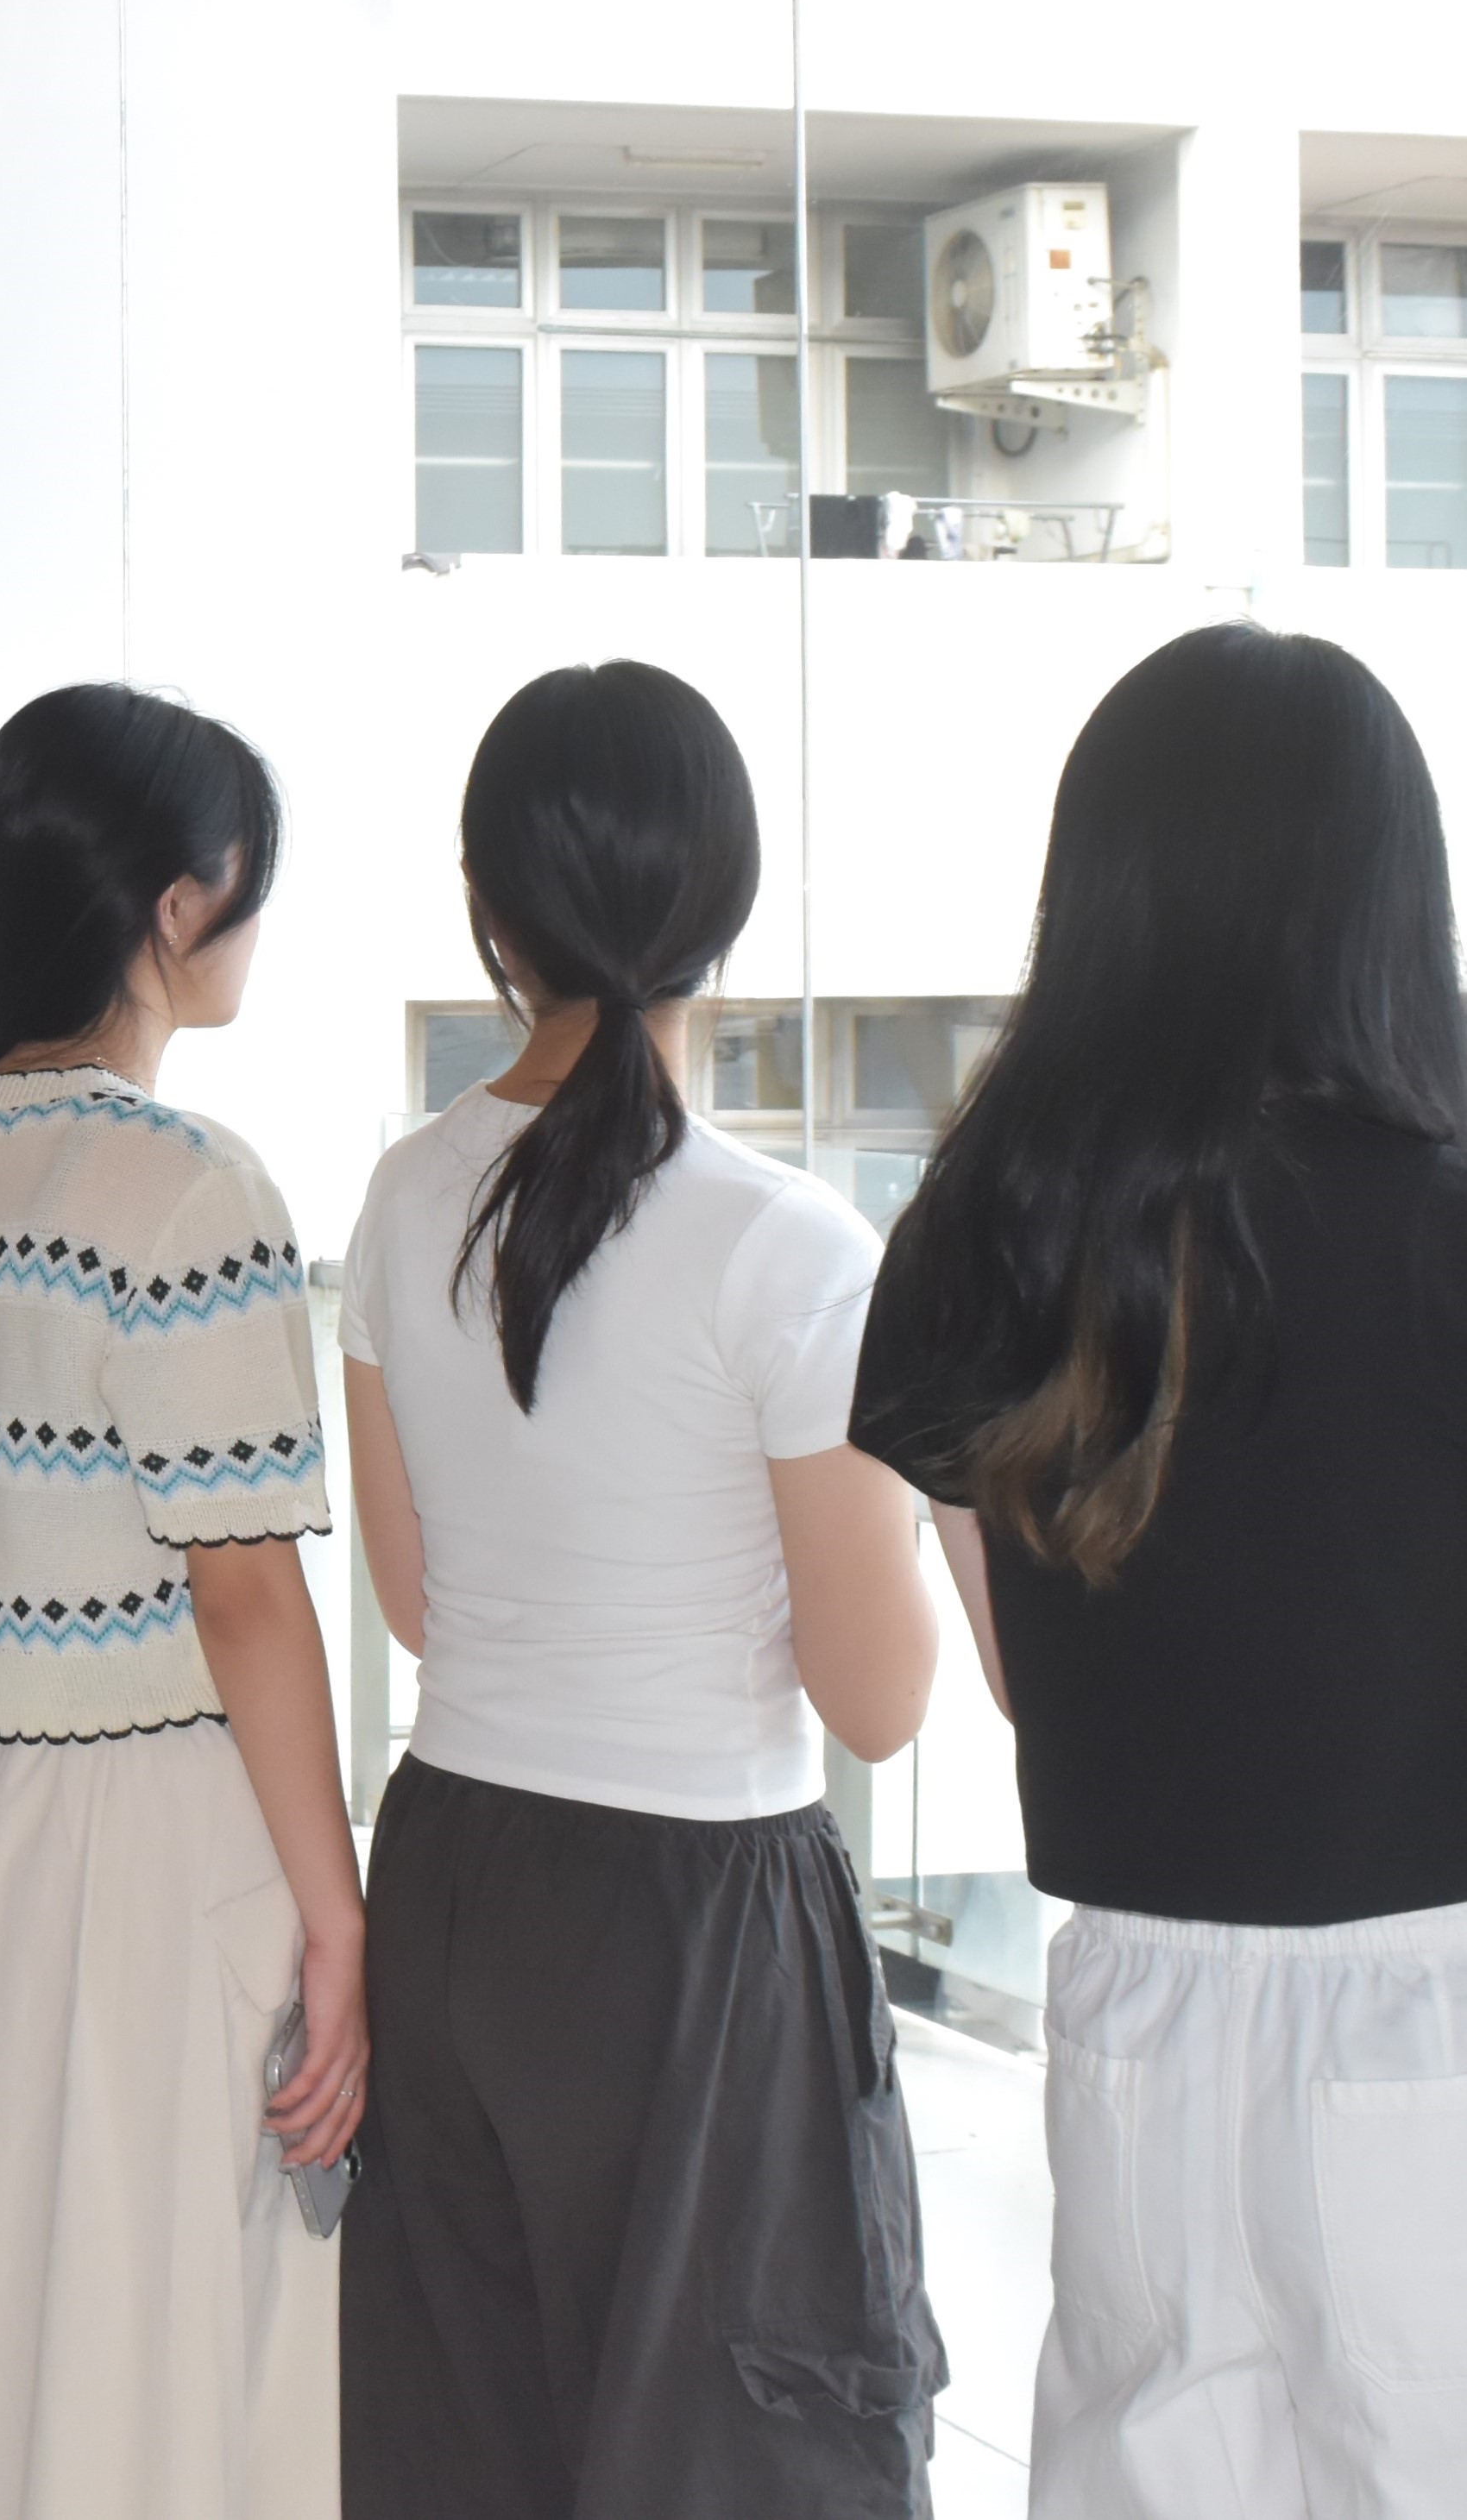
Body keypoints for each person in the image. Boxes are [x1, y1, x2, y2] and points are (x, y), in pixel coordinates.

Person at [853, 625, 1467, 2517]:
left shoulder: (988, 1231)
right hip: (1429, 1986)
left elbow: (1018, 1672)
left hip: (1135, 2005)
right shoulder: (1443, 1218)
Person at [338, 661, 944, 2516]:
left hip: (455, 1875)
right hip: (698, 1923)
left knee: (464, 2452)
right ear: (726, 901)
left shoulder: (401, 1195)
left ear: (489, 908)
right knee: (742, 2463)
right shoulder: (786, 1244)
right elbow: (878, 1699)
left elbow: (419, 1604)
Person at [0, 685, 351, 2517]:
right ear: (177, 906)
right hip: (147, 1825)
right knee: (158, 2320)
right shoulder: (188, 1189)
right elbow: (247, 1600)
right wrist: (339, 1917)